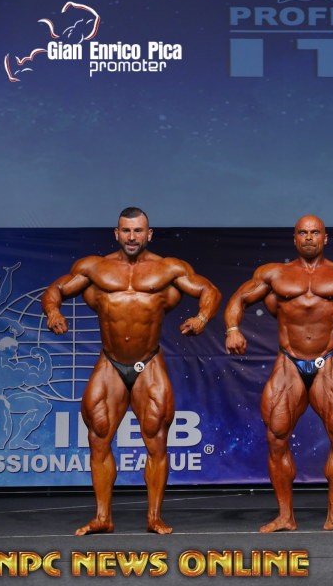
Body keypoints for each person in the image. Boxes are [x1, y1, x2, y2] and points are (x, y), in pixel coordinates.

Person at [42, 207, 221, 535]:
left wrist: (202, 318)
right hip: (110, 363)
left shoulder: (169, 268)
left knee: (156, 438)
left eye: (138, 230)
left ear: (149, 234)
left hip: (148, 362)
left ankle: (154, 517)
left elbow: (209, 291)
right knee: (98, 436)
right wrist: (53, 313)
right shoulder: (94, 267)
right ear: (117, 233)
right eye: (126, 230)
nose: (132, 236)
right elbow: (55, 291)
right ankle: (102, 517)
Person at [224, 215, 333, 533]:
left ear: (325, 238)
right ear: (295, 238)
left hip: (328, 362)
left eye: (315, 232)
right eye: (303, 232)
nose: (309, 237)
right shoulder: (274, 274)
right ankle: (285, 516)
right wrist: (232, 329)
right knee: (276, 438)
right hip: (289, 363)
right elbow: (240, 299)